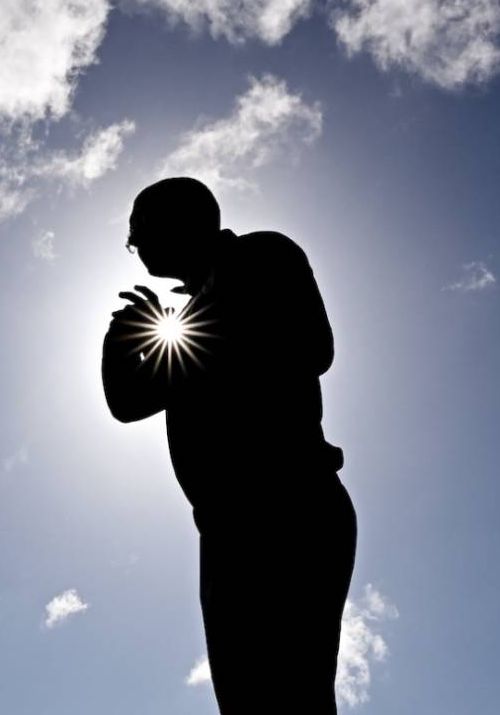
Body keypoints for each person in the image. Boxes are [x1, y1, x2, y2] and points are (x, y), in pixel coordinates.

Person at [102, 177, 357, 713]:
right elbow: (127, 402)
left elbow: (311, 346)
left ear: (176, 220)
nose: (134, 243)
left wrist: (187, 342)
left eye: (138, 228)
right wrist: (124, 339)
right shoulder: (192, 312)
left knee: (295, 694)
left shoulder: (262, 254)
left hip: (291, 506)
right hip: (225, 530)